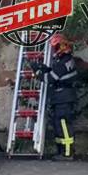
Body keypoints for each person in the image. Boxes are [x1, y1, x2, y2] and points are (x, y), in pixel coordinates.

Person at [32, 33, 77, 161]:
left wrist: (38, 72)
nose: (54, 50)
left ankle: (67, 153)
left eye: (56, 47)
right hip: (63, 97)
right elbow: (54, 72)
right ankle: (61, 151)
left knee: (63, 125)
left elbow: (50, 78)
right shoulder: (66, 59)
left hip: (63, 98)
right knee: (59, 125)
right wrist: (44, 68)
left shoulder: (62, 62)